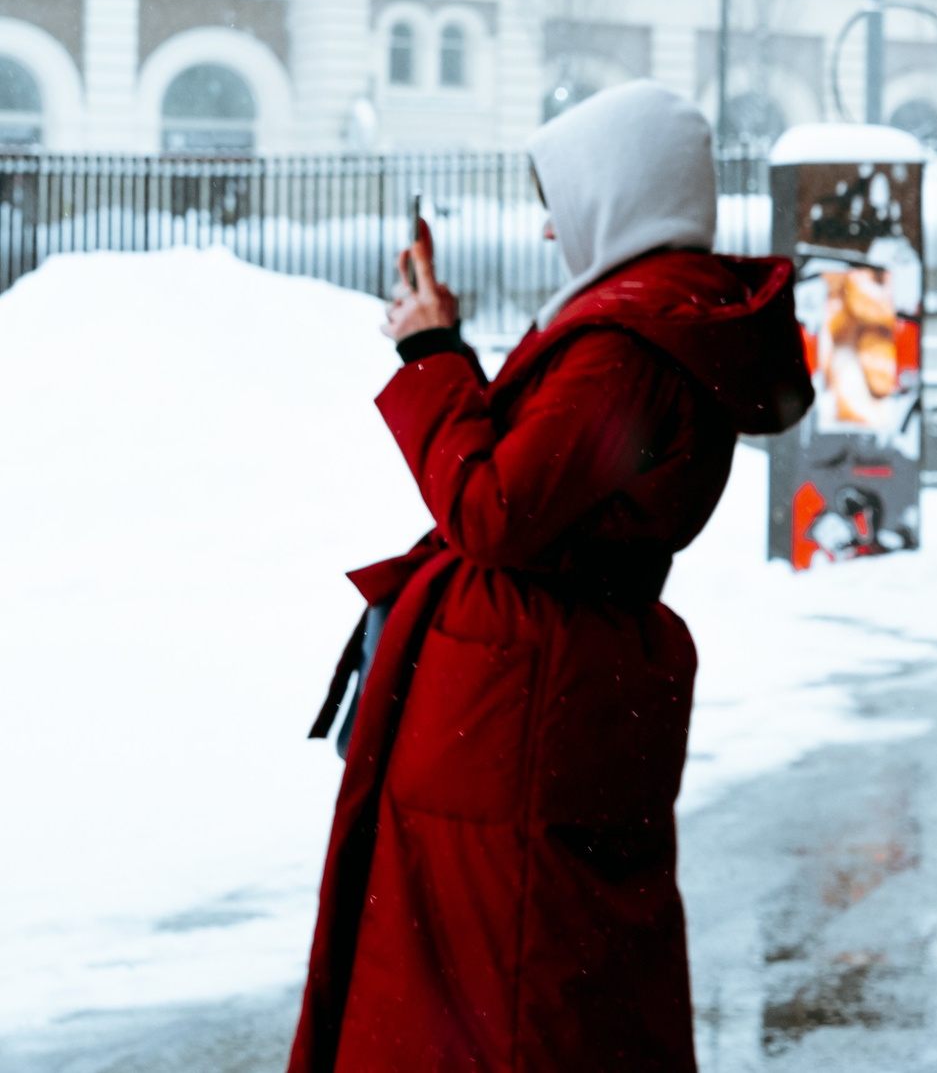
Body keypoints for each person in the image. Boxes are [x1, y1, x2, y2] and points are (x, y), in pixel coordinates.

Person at [289, 81, 812, 1073]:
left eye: (560, 202)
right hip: (527, 693)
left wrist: (433, 351)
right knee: (517, 980)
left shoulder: (627, 347)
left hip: (518, 707)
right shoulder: (650, 326)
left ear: (619, 196)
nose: (544, 229)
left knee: (507, 992)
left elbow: (494, 510)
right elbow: (546, 487)